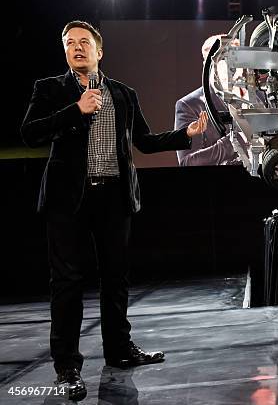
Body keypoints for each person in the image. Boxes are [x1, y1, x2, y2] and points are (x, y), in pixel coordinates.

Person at [21, 21, 208, 401]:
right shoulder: (51, 89)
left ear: (99, 51)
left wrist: (184, 136)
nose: (76, 48)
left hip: (114, 198)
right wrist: (75, 110)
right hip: (67, 201)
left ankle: (120, 352)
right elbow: (30, 133)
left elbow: (144, 141)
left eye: (84, 42)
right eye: (69, 43)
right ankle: (67, 366)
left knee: (116, 279)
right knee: (68, 284)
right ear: (65, 51)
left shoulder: (123, 93)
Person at [175, 35, 247, 166]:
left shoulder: (262, 95)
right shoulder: (190, 105)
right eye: (223, 60)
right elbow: (188, 162)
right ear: (207, 65)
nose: (231, 68)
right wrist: (239, 139)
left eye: (236, 59)